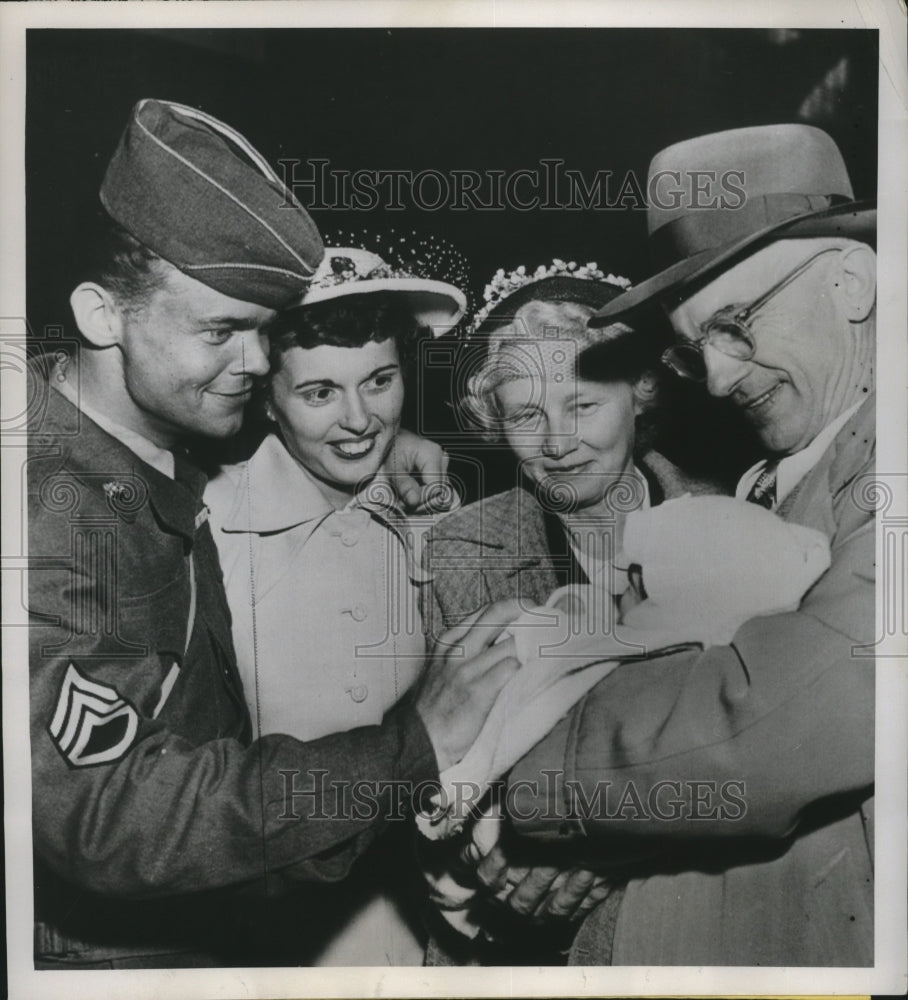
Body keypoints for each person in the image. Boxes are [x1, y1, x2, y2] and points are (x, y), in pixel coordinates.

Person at [27, 98, 519, 969]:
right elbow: (109, 814)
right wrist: (414, 748)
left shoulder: (152, 445)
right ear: (103, 317)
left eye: (261, 332)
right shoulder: (50, 515)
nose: (256, 367)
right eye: (222, 330)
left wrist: (390, 445)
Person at [494, 124, 876, 966]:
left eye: (738, 325)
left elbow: (777, 723)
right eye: (696, 343)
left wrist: (520, 771)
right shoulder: (761, 483)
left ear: (851, 283)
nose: (717, 377)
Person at [204, 243, 468, 965]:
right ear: (265, 395)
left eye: (379, 381)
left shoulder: (435, 512)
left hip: (440, 925)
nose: (360, 420)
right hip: (279, 937)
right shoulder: (210, 527)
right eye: (319, 393)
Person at [423, 260, 719, 641]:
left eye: (582, 407)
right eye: (527, 416)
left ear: (642, 392)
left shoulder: (738, 509)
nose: (557, 445)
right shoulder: (459, 554)